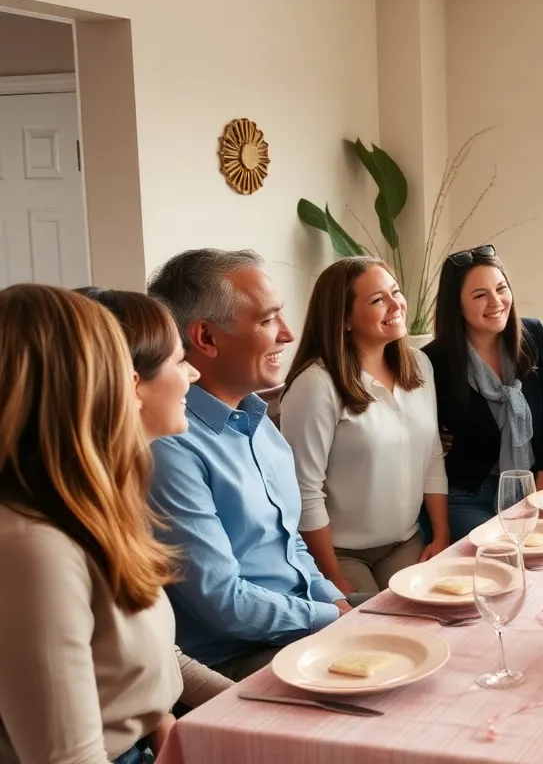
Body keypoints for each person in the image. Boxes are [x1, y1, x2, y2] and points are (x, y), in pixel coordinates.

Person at [0, 285, 188, 764]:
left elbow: (147, 666)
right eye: (118, 365)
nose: (133, 378)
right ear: (81, 388)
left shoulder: (87, 508)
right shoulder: (31, 549)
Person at [147, 248, 350, 681]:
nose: (289, 334)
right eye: (267, 320)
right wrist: (332, 618)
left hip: (302, 624)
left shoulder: (258, 422)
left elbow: (290, 545)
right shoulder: (171, 447)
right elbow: (224, 603)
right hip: (237, 657)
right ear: (206, 338)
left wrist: (334, 602)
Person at [75, 288, 235, 706]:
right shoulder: (49, 538)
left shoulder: (115, 495)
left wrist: (249, 709)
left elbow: (161, 658)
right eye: (179, 360)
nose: (193, 374)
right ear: (130, 384)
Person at [279, 258, 450, 595]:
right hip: (340, 554)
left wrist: (442, 535)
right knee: (385, 632)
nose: (395, 305)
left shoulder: (419, 365)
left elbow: (432, 455)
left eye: (395, 292)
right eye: (377, 300)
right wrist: (331, 576)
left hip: (406, 542)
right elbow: (304, 490)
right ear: (343, 317)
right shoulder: (316, 385)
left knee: (435, 621)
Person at [421, 245, 543, 540]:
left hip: (537, 481)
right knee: (504, 555)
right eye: (480, 295)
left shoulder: (533, 335)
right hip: (469, 496)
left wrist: (540, 490)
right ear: (456, 305)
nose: (496, 302)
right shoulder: (433, 360)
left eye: (501, 288)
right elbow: (425, 438)